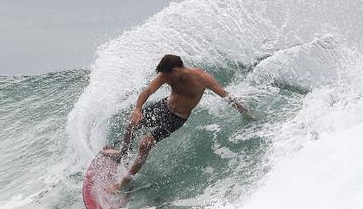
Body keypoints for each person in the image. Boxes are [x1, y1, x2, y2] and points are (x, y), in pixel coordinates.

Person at [102, 54, 253, 192]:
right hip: (163, 106)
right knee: (132, 123)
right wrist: (137, 109)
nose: (164, 80)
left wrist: (245, 112)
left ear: (175, 70)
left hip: (176, 118)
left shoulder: (201, 78)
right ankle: (122, 154)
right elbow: (148, 91)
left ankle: (124, 183)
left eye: (166, 77)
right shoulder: (165, 75)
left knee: (145, 144)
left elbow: (225, 95)